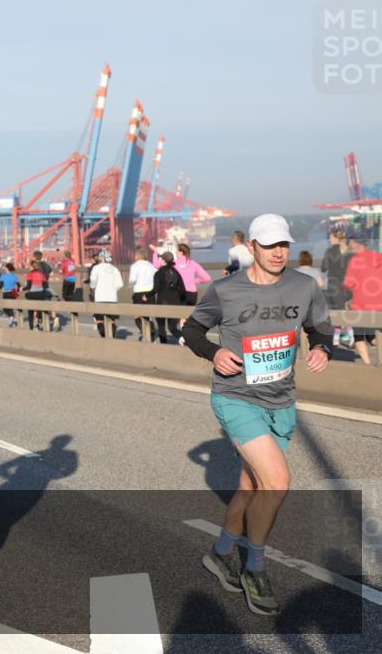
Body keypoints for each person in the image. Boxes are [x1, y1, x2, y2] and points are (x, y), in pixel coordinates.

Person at [182, 213, 332, 617]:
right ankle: (255, 566)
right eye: (269, 246)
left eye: (283, 244)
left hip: (281, 401)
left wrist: (322, 349)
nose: (279, 252)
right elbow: (191, 331)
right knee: (278, 481)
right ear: (251, 247)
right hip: (235, 398)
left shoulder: (305, 286)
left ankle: (220, 552)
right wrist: (214, 352)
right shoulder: (226, 289)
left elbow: (320, 329)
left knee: (252, 487)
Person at [342, 228, 382, 365]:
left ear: (356, 243)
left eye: (350, 242)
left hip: (361, 305)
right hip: (379, 304)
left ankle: (368, 365)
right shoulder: (379, 256)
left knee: (359, 336)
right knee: (375, 336)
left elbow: (348, 284)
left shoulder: (355, 261)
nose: (349, 244)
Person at [153, 251, 186, 344]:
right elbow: (183, 290)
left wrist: (147, 295)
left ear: (163, 260)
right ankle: (182, 338)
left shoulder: (158, 273)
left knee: (161, 325)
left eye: (161, 259)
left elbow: (155, 289)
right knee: (172, 327)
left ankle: (164, 345)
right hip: (175, 302)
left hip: (162, 302)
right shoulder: (176, 273)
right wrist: (181, 301)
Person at [89, 249, 122, 338]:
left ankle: (104, 337)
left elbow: (92, 283)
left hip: (100, 298)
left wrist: (94, 287)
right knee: (112, 320)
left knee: (99, 320)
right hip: (112, 298)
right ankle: (112, 338)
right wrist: (112, 290)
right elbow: (120, 284)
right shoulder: (115, 269)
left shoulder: (96, 268)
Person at [128, 248, 157, 341]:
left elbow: (132, 280)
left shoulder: (135, 266)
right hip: (150, 293)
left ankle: (146, 332)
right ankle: (151, 333)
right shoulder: (151, 266)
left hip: (139, 292)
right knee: (148, 315)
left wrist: (130, 284)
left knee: (137, 316)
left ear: (137, 256)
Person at [32, 250, 59, 331]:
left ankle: (36, 325)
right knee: (49, 304)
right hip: (47, 286)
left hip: (38, 286)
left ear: (34, 257)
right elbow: (52, 274)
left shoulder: (34, 265)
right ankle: (55, 318)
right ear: (41, 256)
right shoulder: (46, 265)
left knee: (35, 307)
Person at [23, 259, 47, 331]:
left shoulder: (30, 274)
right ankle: (40, 322)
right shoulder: (42, 274)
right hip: (41, 294)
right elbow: (45, 285)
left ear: (31, 266)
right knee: (39, 307)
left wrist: (22, 289)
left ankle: (31, 327)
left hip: (33, 294)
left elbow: (28, 287)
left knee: (31, 309)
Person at [0, 263, 21, 328]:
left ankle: (11, 318)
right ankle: (12, 319)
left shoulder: (3, 276)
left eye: (5, 268)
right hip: (13, 293)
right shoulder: (14, 276)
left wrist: (2, 288)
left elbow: (0, 286)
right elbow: (19, 286)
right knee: (11, 306)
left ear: (7, 268)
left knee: (5, 308)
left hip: (6, 293)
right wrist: (18, 292)